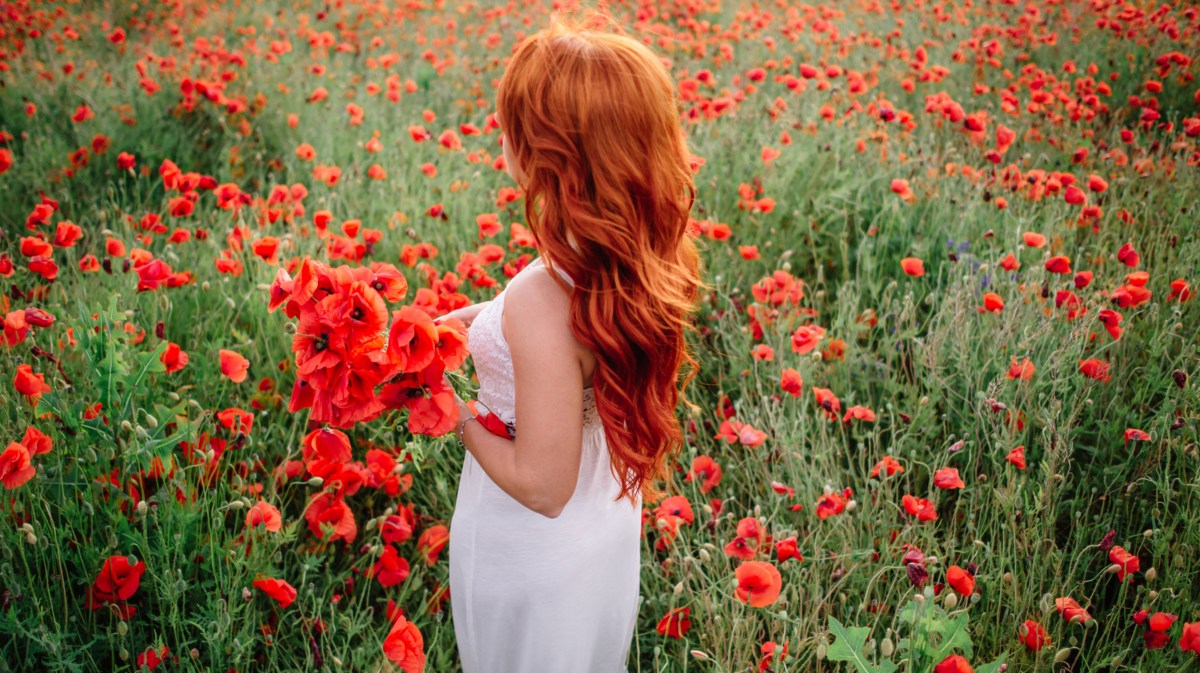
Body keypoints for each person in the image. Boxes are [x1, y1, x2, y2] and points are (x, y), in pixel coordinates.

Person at [433, 11, 704, 673]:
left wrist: (447, 405)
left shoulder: (543, 296)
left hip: (529, 550)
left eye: (513, 124)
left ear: (550, 150)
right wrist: (469, 322)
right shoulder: (638, 255)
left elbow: (540, 486)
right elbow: (554, 342)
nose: (503, 135)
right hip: (598, 533)